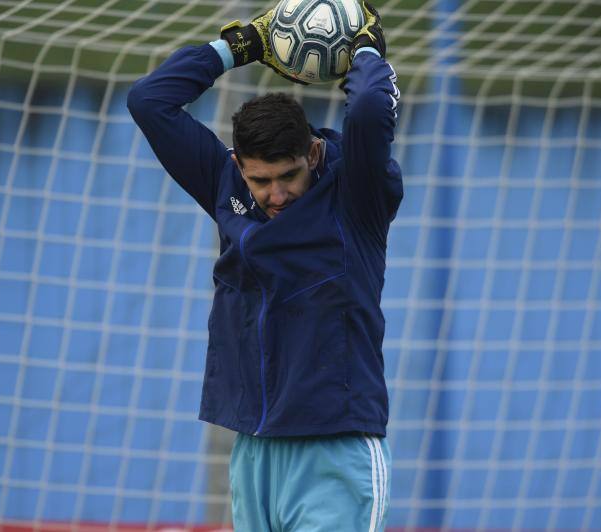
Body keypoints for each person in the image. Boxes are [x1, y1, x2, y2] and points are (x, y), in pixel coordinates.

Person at [127, 2, 402, 530]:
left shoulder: (356, 194)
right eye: (260, 181)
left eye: (289, 176)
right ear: (237, 166)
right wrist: (238, 47)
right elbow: (149, 100)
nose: (275, 195)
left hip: (334, 447)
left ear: (314, 155)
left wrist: (365, 49)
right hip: (255, 449)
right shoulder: (224, 183)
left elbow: (367, 109)